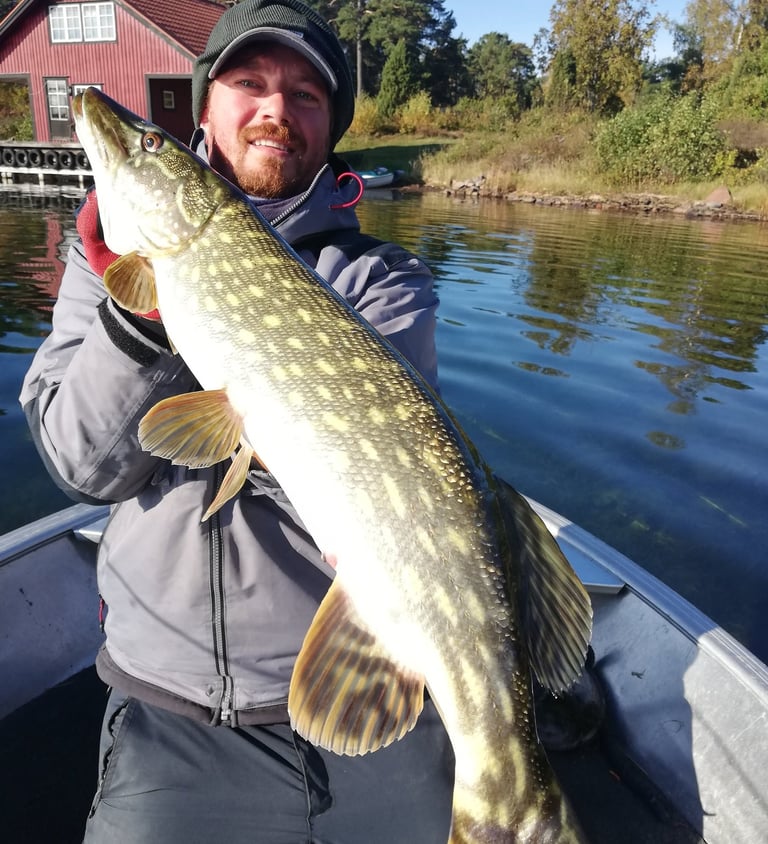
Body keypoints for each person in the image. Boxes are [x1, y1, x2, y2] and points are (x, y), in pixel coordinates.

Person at [20, 1, 453, 841]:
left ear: (330, 125)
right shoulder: (101, 257)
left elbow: (389, 482)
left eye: (306, 95)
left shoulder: (378, 281)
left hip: (360, 686)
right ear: (207, 104)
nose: (275, 110)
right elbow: (83, 468)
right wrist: (137, 322)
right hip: (171, 710)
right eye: (248, 83)